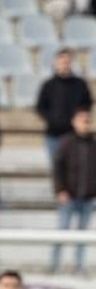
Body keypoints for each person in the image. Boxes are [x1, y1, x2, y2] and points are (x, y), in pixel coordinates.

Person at [52, 107, 96, 273]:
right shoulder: (66, 143)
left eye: (87, 120)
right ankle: (55, 265)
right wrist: (60, 190)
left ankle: (79, 266)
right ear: (74, 122)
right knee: (61, 231)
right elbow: (57, 169)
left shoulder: (93, 145)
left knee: (82, 235)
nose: (85, 124)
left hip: (87, 198)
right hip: (69, 196)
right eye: (81, 120)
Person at [35, 48, 92, 167]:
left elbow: (87, 105)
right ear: (56, 63)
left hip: (74, 135)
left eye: (67, 62)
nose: (65, 65)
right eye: (62, 62)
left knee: (76, 168)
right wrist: (52, 120)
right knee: (57, 168)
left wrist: (80, 120)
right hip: (54, 136)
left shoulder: (80, 84)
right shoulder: (48, 85)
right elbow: (40, 107)